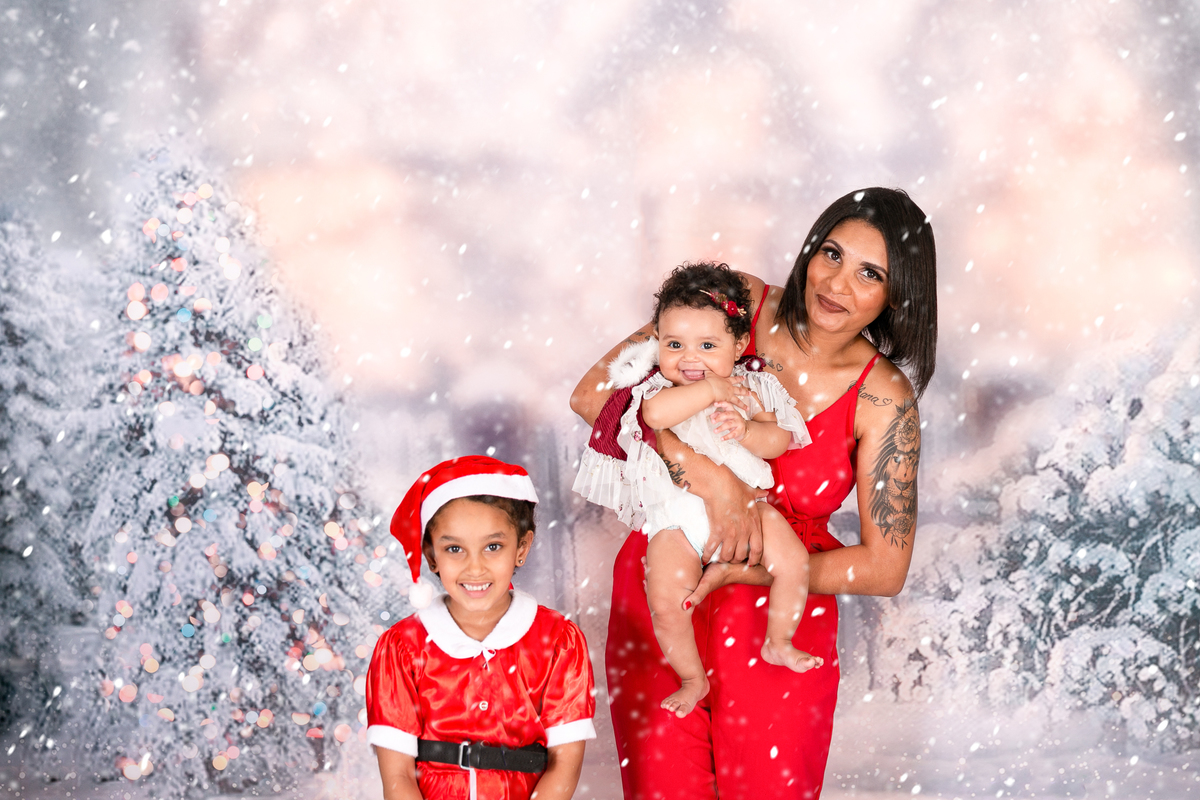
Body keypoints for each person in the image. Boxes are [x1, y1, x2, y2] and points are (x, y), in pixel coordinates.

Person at [571, 187, 937, 799]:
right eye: (831, 254)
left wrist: (748, 572)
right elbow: (595, 396)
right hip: (668, 586)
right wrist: (712, 480)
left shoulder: (884, 398)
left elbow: (885, 567)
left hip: (780, 618)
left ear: (897, 296)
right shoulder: (733, 302)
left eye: (870, 273)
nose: (837, 283)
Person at [573, 262, 819, 719]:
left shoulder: (754, 386)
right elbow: (656, 419)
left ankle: (779, 640)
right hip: (676, 518)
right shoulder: (657, 390)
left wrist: (748, 430)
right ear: (657, 344)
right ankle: (692, 677)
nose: (690, 358)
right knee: (666, 601)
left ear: (738, 345)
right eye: (674, 345)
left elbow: (778, 440)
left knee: (794, 562)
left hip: (748, 508)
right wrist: (711, 390)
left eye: (707, 346)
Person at [366, 456, 597, 800]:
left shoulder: (559, 641)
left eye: (492, 547)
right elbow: (397, 775)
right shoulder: (401, 648)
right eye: (454, 549)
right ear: (431, 555)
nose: (475, 568)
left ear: (521, 547)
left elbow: (564, 764)